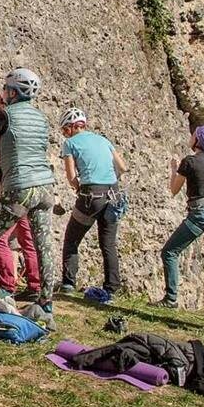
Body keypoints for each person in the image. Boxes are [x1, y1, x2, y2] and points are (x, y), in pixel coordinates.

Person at [0, 69, 57, 314]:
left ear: (11, 91)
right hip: (45, 186)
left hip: (20, 187)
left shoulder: (3, 114)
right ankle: (46, 300)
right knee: (43, 243)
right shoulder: (42, 118)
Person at [159, 124, 204, 313]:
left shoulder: (189, 161)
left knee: (169, 252)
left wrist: (173, 169)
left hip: (201, 212)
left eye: (194, 135)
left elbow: (174, 190)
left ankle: (171, 298)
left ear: (198, 140)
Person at [58, 108, 126, 295]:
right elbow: (122, 166)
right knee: (108, 243)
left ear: (71, 127)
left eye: (65, 129)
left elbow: (71, 176)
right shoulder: (103, 140)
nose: (65, 133)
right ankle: (112, 287)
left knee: (72, 239)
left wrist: (80, 188)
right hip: (113, 193)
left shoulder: (69, 144)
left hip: (90, 195)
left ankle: (68, 284)